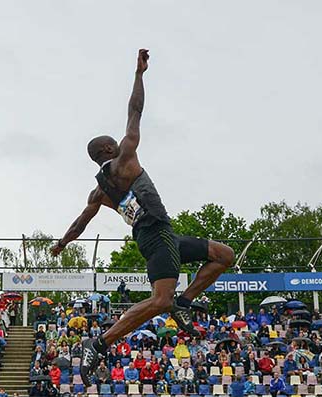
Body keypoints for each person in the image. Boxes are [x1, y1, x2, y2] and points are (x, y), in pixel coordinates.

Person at [49, 49, 234, 377]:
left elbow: (81, 223)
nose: (122, 143)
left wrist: (62, 244)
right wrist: (139, 75)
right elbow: (135, 111)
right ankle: (102, 343)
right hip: (156, 235)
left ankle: (185, 303)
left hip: (164, 234)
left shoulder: (99, 192)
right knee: (160, 301)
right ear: (109, 150)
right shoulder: (124, 160)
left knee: (224, 255)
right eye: (115, 144)